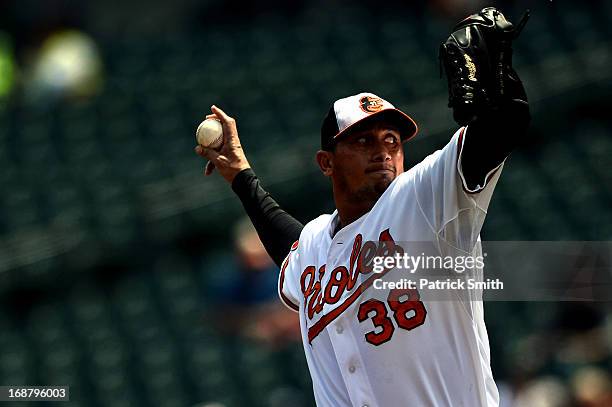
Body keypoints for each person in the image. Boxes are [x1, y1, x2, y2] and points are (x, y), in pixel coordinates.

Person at [195, 7, 531, 407]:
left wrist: (503, 87)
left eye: (392, 140)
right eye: (363, 141)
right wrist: (240, 176)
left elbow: (500, 130)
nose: (383, 151)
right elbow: (290, 245)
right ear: (327, 163)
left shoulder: (424, 198)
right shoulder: (316, 245)